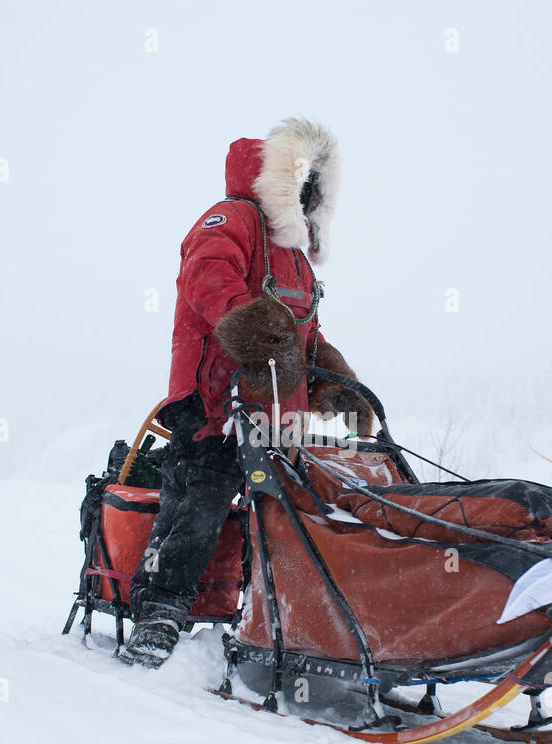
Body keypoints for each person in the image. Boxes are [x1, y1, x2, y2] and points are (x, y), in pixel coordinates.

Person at [119, 117, 371, 667]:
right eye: (299, 186)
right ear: (278, 181)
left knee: (278, 512)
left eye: (314, 191)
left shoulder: (295, 255)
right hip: (212, 404)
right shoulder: (228, 220)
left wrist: (331, 377)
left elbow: (305, 332)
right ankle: (159, 612)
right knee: (199, 503)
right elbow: (207, 279)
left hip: (276, 411)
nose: (307, 200)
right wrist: (260, 332)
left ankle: (263, 618)